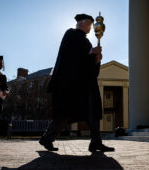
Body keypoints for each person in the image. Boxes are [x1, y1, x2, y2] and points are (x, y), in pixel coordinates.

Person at [39, 14, 115, 152]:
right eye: (90, 25)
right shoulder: (71, 34)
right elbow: (71, 55)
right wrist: (92, 52)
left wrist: (96, 60)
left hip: (85, 84)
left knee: (92, 110)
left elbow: (89, 65)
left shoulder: (86, 42)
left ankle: (96, 142)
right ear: (84, 23)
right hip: (69, 84)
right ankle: (47, 138)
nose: (91, 29)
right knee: (64, 113)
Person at [0, 56, 9, 138]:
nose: (0, 64)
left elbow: (6, 87)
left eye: (1, 63)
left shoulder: (3, 76)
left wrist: (6, 91)